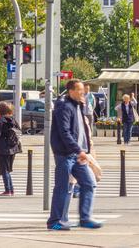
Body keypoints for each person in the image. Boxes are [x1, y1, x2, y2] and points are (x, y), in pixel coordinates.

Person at [47, 79, 101, 231]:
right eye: (79, 90)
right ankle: (55, 221)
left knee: (89, 183)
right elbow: (65, 132)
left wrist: (84, 149)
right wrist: (79, 150)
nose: (82, 92)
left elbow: (82, 128)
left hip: (77, 153)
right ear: (71, 91)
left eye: (82, 90)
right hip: (65, 154)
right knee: (62, 187)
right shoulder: (63, 106)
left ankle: (85, 218)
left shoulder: (78, 104)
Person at [0, 101, 23, 196]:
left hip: (2, 148)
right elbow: (19, 131)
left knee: (4, 169)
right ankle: (11, 189)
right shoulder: (13, 120)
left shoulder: (0, 121)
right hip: (13, 148)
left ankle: (8, 190)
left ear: (0, 110)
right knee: (8, 169)